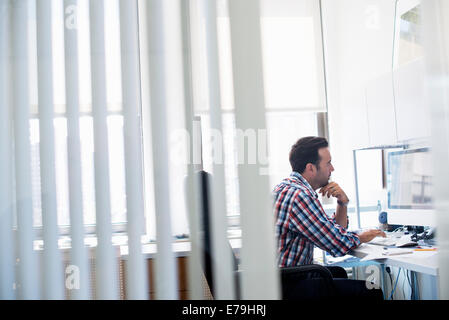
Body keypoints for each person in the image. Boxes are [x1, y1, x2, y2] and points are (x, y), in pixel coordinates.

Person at [273, 136, 385, 299]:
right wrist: (362, 237)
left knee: (337, 272)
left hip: (282, 279)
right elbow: (336, 245)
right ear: (311, 168)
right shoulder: (299, 196)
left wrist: (342, 203)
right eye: (328, 163)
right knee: (371, 291)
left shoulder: (286, 188)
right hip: (288, 285)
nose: (332, 168)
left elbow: (331, 232)